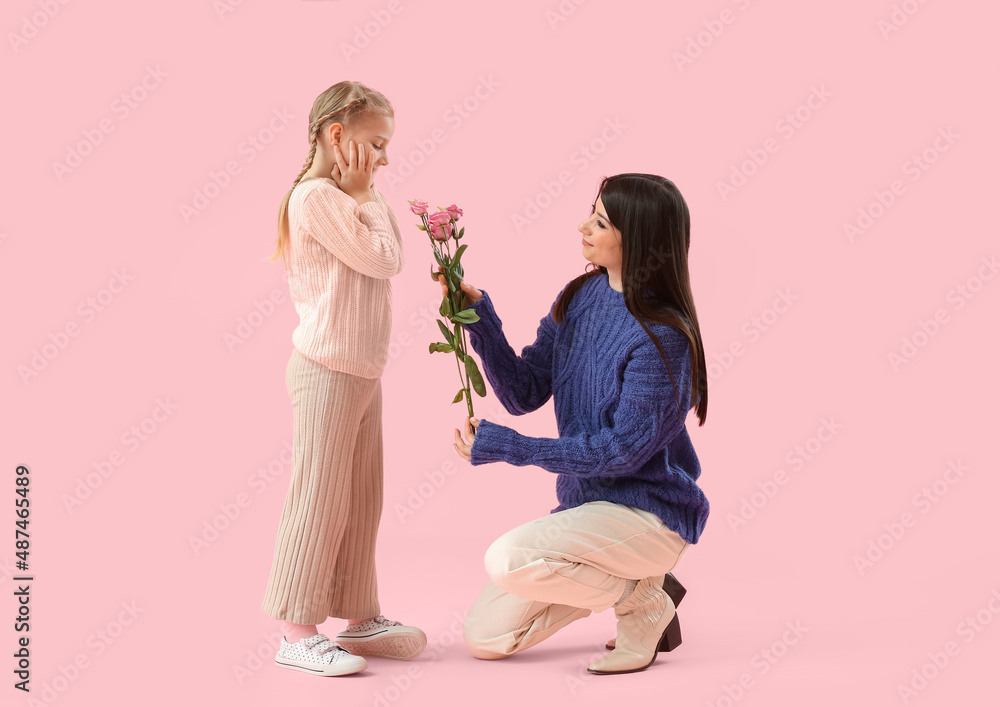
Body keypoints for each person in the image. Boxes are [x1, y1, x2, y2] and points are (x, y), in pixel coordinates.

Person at [444, 173, 710, 674]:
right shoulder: (580, 296)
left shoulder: (664, 336)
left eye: (602, 220)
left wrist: (512, 448)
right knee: (486, 636)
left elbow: (621, 453)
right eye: (592, 211)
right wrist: (478, 317)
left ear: (640, 238)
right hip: (587, 511)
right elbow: (524, 392)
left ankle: (641, 602)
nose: (584, 226)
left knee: (508, 558)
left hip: (648, 516)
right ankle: (641, 589)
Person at [261, 80, 426, 677]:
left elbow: (391, 250)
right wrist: (362, 192)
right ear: (338, 136)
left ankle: (359, 615)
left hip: (361, 371)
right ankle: (295, 631)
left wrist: (365, 192)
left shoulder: (357, 196)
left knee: (361, 498)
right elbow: (383, 258)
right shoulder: (314, 199)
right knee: (318, 498)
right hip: (327, 369)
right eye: (375, 144)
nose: (383, 158)